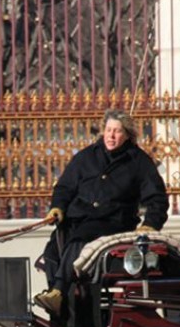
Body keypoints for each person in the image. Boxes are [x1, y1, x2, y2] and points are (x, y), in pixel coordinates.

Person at [34, 108, 169, 315]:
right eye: (108, 130)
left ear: (127, 135)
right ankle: (61, 310)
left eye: (117, 131)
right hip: (76, 219)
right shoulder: (86, 156)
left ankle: (58, 291)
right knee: (52, 253)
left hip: (113, 221)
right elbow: (64, 187)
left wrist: (151, 223)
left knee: (79, 240)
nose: (111, 136)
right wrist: (57, 207)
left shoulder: (139, 161)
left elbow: (157, 197)